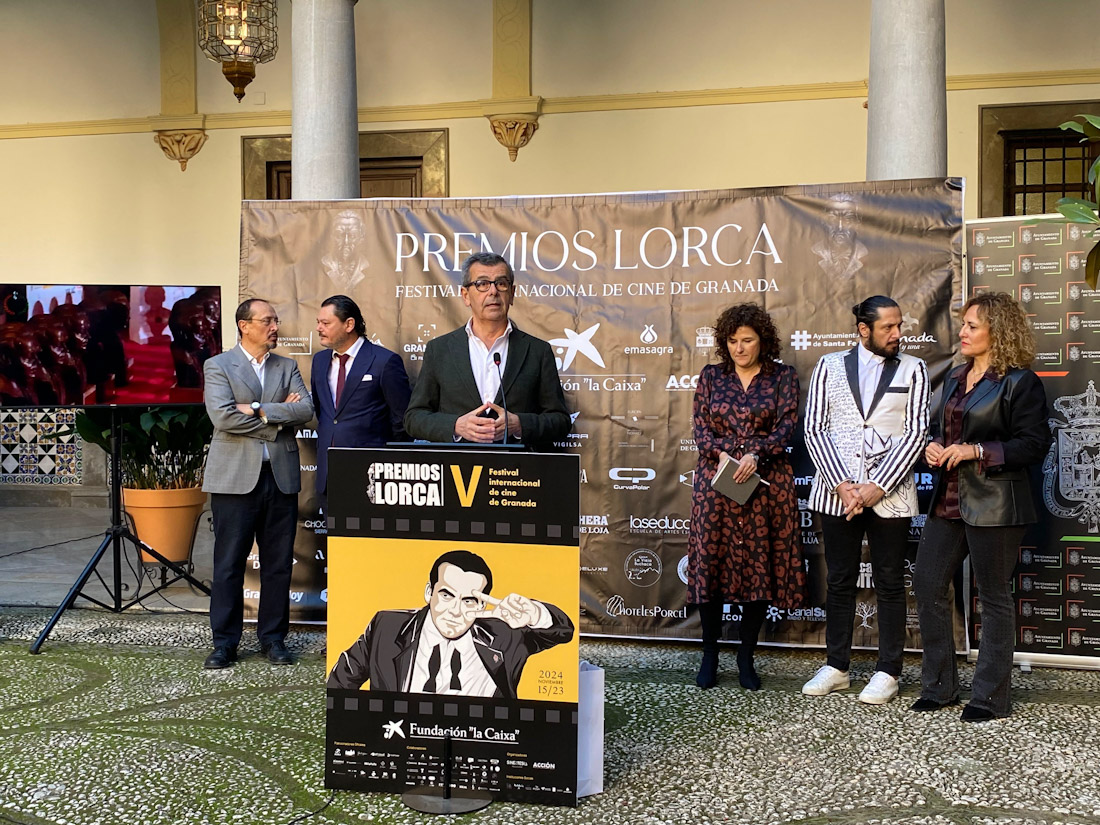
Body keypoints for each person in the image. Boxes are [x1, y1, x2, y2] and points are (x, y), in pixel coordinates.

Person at [912, 292, 1050, 722]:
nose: (963, 332)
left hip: (996, 504)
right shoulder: (954, 376)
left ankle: (989, 697)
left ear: (998, 331)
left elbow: (1034, 445)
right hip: (948, 500)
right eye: (964, 324)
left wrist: (975, 451)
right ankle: (939, 687)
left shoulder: (1020, 382)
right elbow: (941, 430)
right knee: (928, 585)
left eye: (973, 325)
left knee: (993, 598)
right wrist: (934, 448)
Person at [802, 295, 929, 704]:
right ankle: (837, 666)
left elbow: (916, 433)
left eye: (899, 326)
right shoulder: (828, 365)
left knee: (890, 581)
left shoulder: (914, 369)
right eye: (888, 327)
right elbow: (815, 430)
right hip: (836, 492)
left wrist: (877, 486)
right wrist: (842, 484)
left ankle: (888, 671)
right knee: (839, 579)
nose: (897, 334)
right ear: (863, 330)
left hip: (890, 495)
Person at [688, 304, 806, 691]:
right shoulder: (710, 377)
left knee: (758, 565)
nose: (740, 348)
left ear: (763, 341)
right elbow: (701, 428)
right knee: (710, 564)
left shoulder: (783, 377)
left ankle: (745, 657)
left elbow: (789, 425)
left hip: (765, 483)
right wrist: (722, 453)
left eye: (748, 340)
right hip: (716, 483)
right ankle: (709, 654)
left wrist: (758, 454)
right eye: (733, 341)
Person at [202, 298, 314, 669]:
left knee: (278, 564)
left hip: (279, 478)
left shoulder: (287, 365)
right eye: (267, 320)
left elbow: (306, 410)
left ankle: (274, 639)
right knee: (229, 563)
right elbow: (223, 418)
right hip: (234, 480)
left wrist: (256, 408)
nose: (274, 327)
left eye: (276, 320)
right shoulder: (218, 365)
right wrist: (280, 416)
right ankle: (224, 643)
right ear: (244, 326)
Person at [327, 549, 575, 697]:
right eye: (447, 595)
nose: (456, 611)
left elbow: (563, 631)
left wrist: (533, 613)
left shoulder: (505, 634)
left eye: (469, 600)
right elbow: (340, 683)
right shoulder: (387, 626)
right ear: (429, 593)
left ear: (481, 605)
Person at [403, 252, 570, 449]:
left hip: (519, 472)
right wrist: (456, 426)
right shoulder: (439, 350)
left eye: (501, 283)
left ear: (512, 294)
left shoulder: (537, 351)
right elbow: (414, 418)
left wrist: (519, 425)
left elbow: (560, 421)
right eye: (482, 284)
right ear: (466, 296)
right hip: (458, 469)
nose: (493, 292)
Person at [311, 295, 411, 504]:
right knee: (335, 537)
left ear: (349, 324)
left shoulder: (384, 361)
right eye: (318, 323)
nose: (319, 328)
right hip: (328, 476)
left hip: (372, 476)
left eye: (326, 323)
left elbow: (401, 420)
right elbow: (325, 413)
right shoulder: (319, 361)